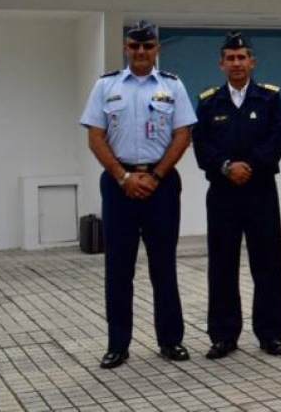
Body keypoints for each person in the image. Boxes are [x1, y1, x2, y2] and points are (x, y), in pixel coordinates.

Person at [80, 20, 197, 370]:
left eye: (148, 46)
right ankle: (118, 345)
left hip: (161, 184)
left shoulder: (173, 86)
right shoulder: (106, 86)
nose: (141, 52)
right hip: (119, 186)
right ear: (126, 48)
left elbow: (183, 136)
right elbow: (95, 138)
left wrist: (156, 175)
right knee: (118, 268)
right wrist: (124, 176)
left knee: (164, 267)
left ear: (157, 49)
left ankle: (170, 340)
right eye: (135, 46)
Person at [192, 32, 281, 358]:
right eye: (230, 58)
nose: (236, 63)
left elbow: (278, 139)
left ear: (252, 62)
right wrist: (226, 167)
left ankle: (271, 333)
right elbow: (201, 145)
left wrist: (249, 165)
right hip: (222, 193)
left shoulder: (269, 98)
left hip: (260, 190)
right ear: (221, 63)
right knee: (222, 264)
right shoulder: (208, 102)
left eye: (242, 57)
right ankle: (223, 335)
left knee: (268, 264)